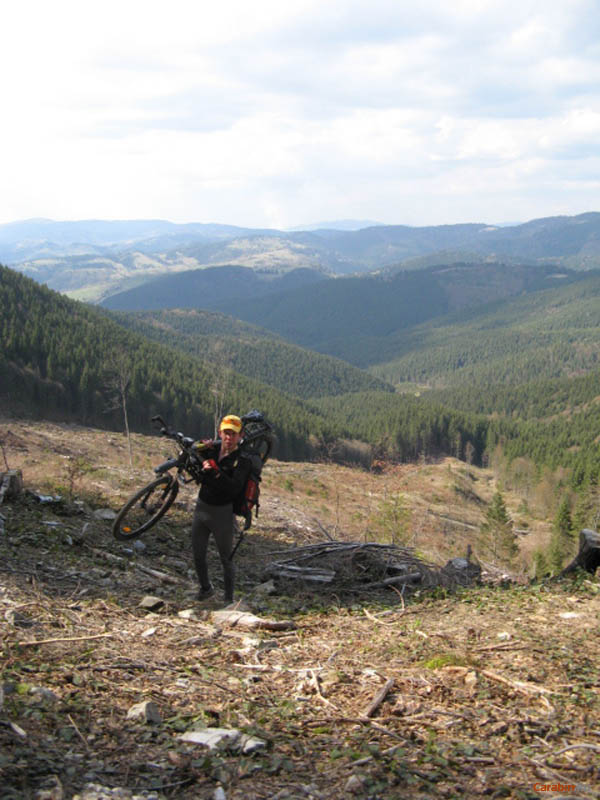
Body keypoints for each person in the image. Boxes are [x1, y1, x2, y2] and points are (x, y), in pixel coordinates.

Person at [191, 414, 251, 605]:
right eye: (226, 433)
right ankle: (205, 589)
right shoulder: (213, 448)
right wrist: (201, 445)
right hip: (202, 508)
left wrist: (216, 471)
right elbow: (192, 451)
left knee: (226, 558)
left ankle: (228, 600)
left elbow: (234, 488)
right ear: (220, 432)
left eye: (233, 434)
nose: (229, 438)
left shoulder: (243, 460)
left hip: (222, 514)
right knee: (198, 553)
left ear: (240, 436)